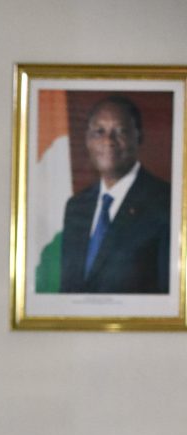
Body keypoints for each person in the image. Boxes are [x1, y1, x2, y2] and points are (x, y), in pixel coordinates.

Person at [60, 94, 170, 294]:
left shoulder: (166, 203)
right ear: (87, 140)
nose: (108, 141)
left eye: (120, 132)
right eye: (99, 132)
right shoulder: (76, 206)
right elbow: (67, 289)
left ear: (139, 137)